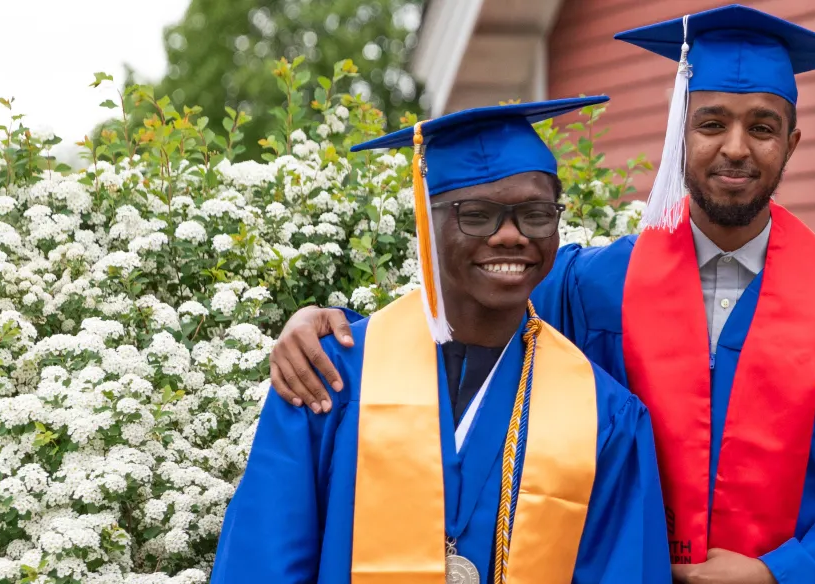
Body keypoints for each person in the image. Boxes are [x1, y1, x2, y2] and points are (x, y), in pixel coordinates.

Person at [264, 6, 815, 583]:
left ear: (793, 141)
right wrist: (324, 327)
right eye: (712, 123)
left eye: (762, 127)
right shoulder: (590, 285)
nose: (736, 148)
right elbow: (466, 328)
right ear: (681, 130)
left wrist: (783, 572)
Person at [211, 97, 670, 584]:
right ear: (427, 221)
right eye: (476, 214)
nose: (511, 236)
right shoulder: (329, 377)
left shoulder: (603, 412)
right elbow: (262, 562)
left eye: (536, 213)